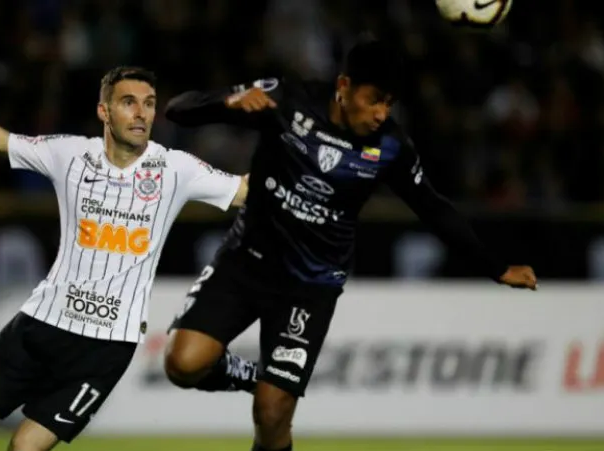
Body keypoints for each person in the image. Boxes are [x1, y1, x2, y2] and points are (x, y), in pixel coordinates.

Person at [162, 40, 537, 451]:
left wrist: (495, 267)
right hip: (245, 261)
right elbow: (179, 109)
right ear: (343, 85)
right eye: (374, 100)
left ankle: (274, 388)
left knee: (271, 413)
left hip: (309, 286)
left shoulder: (390, 147)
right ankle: (255, 377)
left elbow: (433, 208)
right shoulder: (288, 99)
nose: (381, 113)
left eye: (389, 103)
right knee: (181, 365)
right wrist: (229, 101)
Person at [0, 66, 249, 451]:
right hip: (40, 324)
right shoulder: (70, 153)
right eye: (129, 103)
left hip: (105, 347)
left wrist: (305, 156)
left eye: (149, 104)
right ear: (104, 112)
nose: (142, 114)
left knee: (24, 448)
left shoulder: (175, 168)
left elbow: (246, 190)